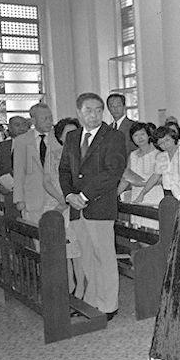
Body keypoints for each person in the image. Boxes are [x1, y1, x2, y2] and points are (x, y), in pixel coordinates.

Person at [59, 92, 127, 318]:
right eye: (89, 110)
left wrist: (84, 196)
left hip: (99, 206)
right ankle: (91, 300)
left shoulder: (113, 136)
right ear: (79, 112)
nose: (95, 115)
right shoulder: (72, 137)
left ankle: (109, 305)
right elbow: (65, 170)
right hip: (77, 208)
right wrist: (69, 194)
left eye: (99, 110)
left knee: (104, 257)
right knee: (86, 256)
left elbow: (113, 172)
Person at [43, 117, 84, 297]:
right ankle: (68, 287)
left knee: (77, 250)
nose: (70, 137)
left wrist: (68, 200)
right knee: (62, 250)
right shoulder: (52, 153)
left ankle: (81, 288)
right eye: (66, 133)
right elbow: (46, 181)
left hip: (76, 205)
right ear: (59, 136)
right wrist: (61, 199)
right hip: (56, 204)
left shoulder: (83, 153)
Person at [13, 103, 60, 223]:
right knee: (37, 237)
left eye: (50, 117)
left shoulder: (58, 138)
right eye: (44, 118)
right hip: (32, 199)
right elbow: (19, 173)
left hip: (56, 198)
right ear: (33, 120)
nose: (49, 121)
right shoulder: (21, 141)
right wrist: (19, 199)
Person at [119, 123, 162, 229]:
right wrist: (115, 194)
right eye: (135, 135)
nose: (139, 138)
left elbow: (162, 179)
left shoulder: (159, 153)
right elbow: (126, 178)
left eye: (142, 134)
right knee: (139, 233)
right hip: (136, 196)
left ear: (148, 135)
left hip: (154, 195)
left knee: (154, 232)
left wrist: (142, 184)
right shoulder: (132, 155)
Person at [138, 125, 180, 199]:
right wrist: (142, 193)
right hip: (168, 192)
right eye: (161, 143)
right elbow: (155, 176)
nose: (165, 144)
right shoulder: (161, 156)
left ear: (174, 138)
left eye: (167, 140)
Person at [0, 115, 29, 192]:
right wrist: (2, 184)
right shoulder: (3, 146)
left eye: (24, 125)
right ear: (10, 128)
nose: (21, 128)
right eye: (17, 125)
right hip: (9, 191)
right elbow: (0, 168)